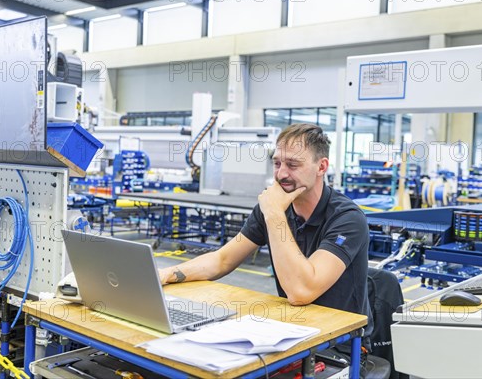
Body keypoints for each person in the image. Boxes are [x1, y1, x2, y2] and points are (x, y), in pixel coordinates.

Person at [159, 123, 372, 374]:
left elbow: (301, 291)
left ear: (321, 167)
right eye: (277, 163)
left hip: (340, 345)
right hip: (291, 333)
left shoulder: (347, 218)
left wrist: (274, 214)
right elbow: (222, 260)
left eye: (293, 165)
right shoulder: (273, 209)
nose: (281, 174)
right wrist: (166, 275)